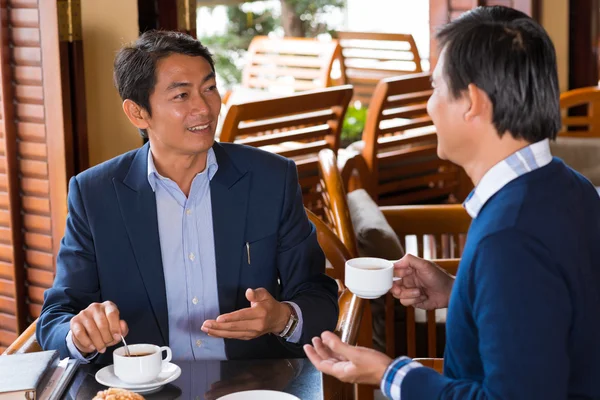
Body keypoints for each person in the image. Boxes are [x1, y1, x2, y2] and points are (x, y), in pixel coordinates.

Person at [304, 6, 600, 399]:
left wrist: (390, 373)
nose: (429, 105)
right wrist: (461, 293)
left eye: (436, 88)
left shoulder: (509, 236)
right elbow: (549, 314)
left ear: (473, 101)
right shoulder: (571, 187)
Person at [36, 30, 338, 363]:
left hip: (253, 384)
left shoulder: (271, 178)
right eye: (181, 95)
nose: (204, 108)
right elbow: (56, 317)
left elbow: (317, 295)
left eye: (209, 88)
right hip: (143, 389)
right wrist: (80, 333)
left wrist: (283, 318)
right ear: (138, 113)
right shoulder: (95, 194)